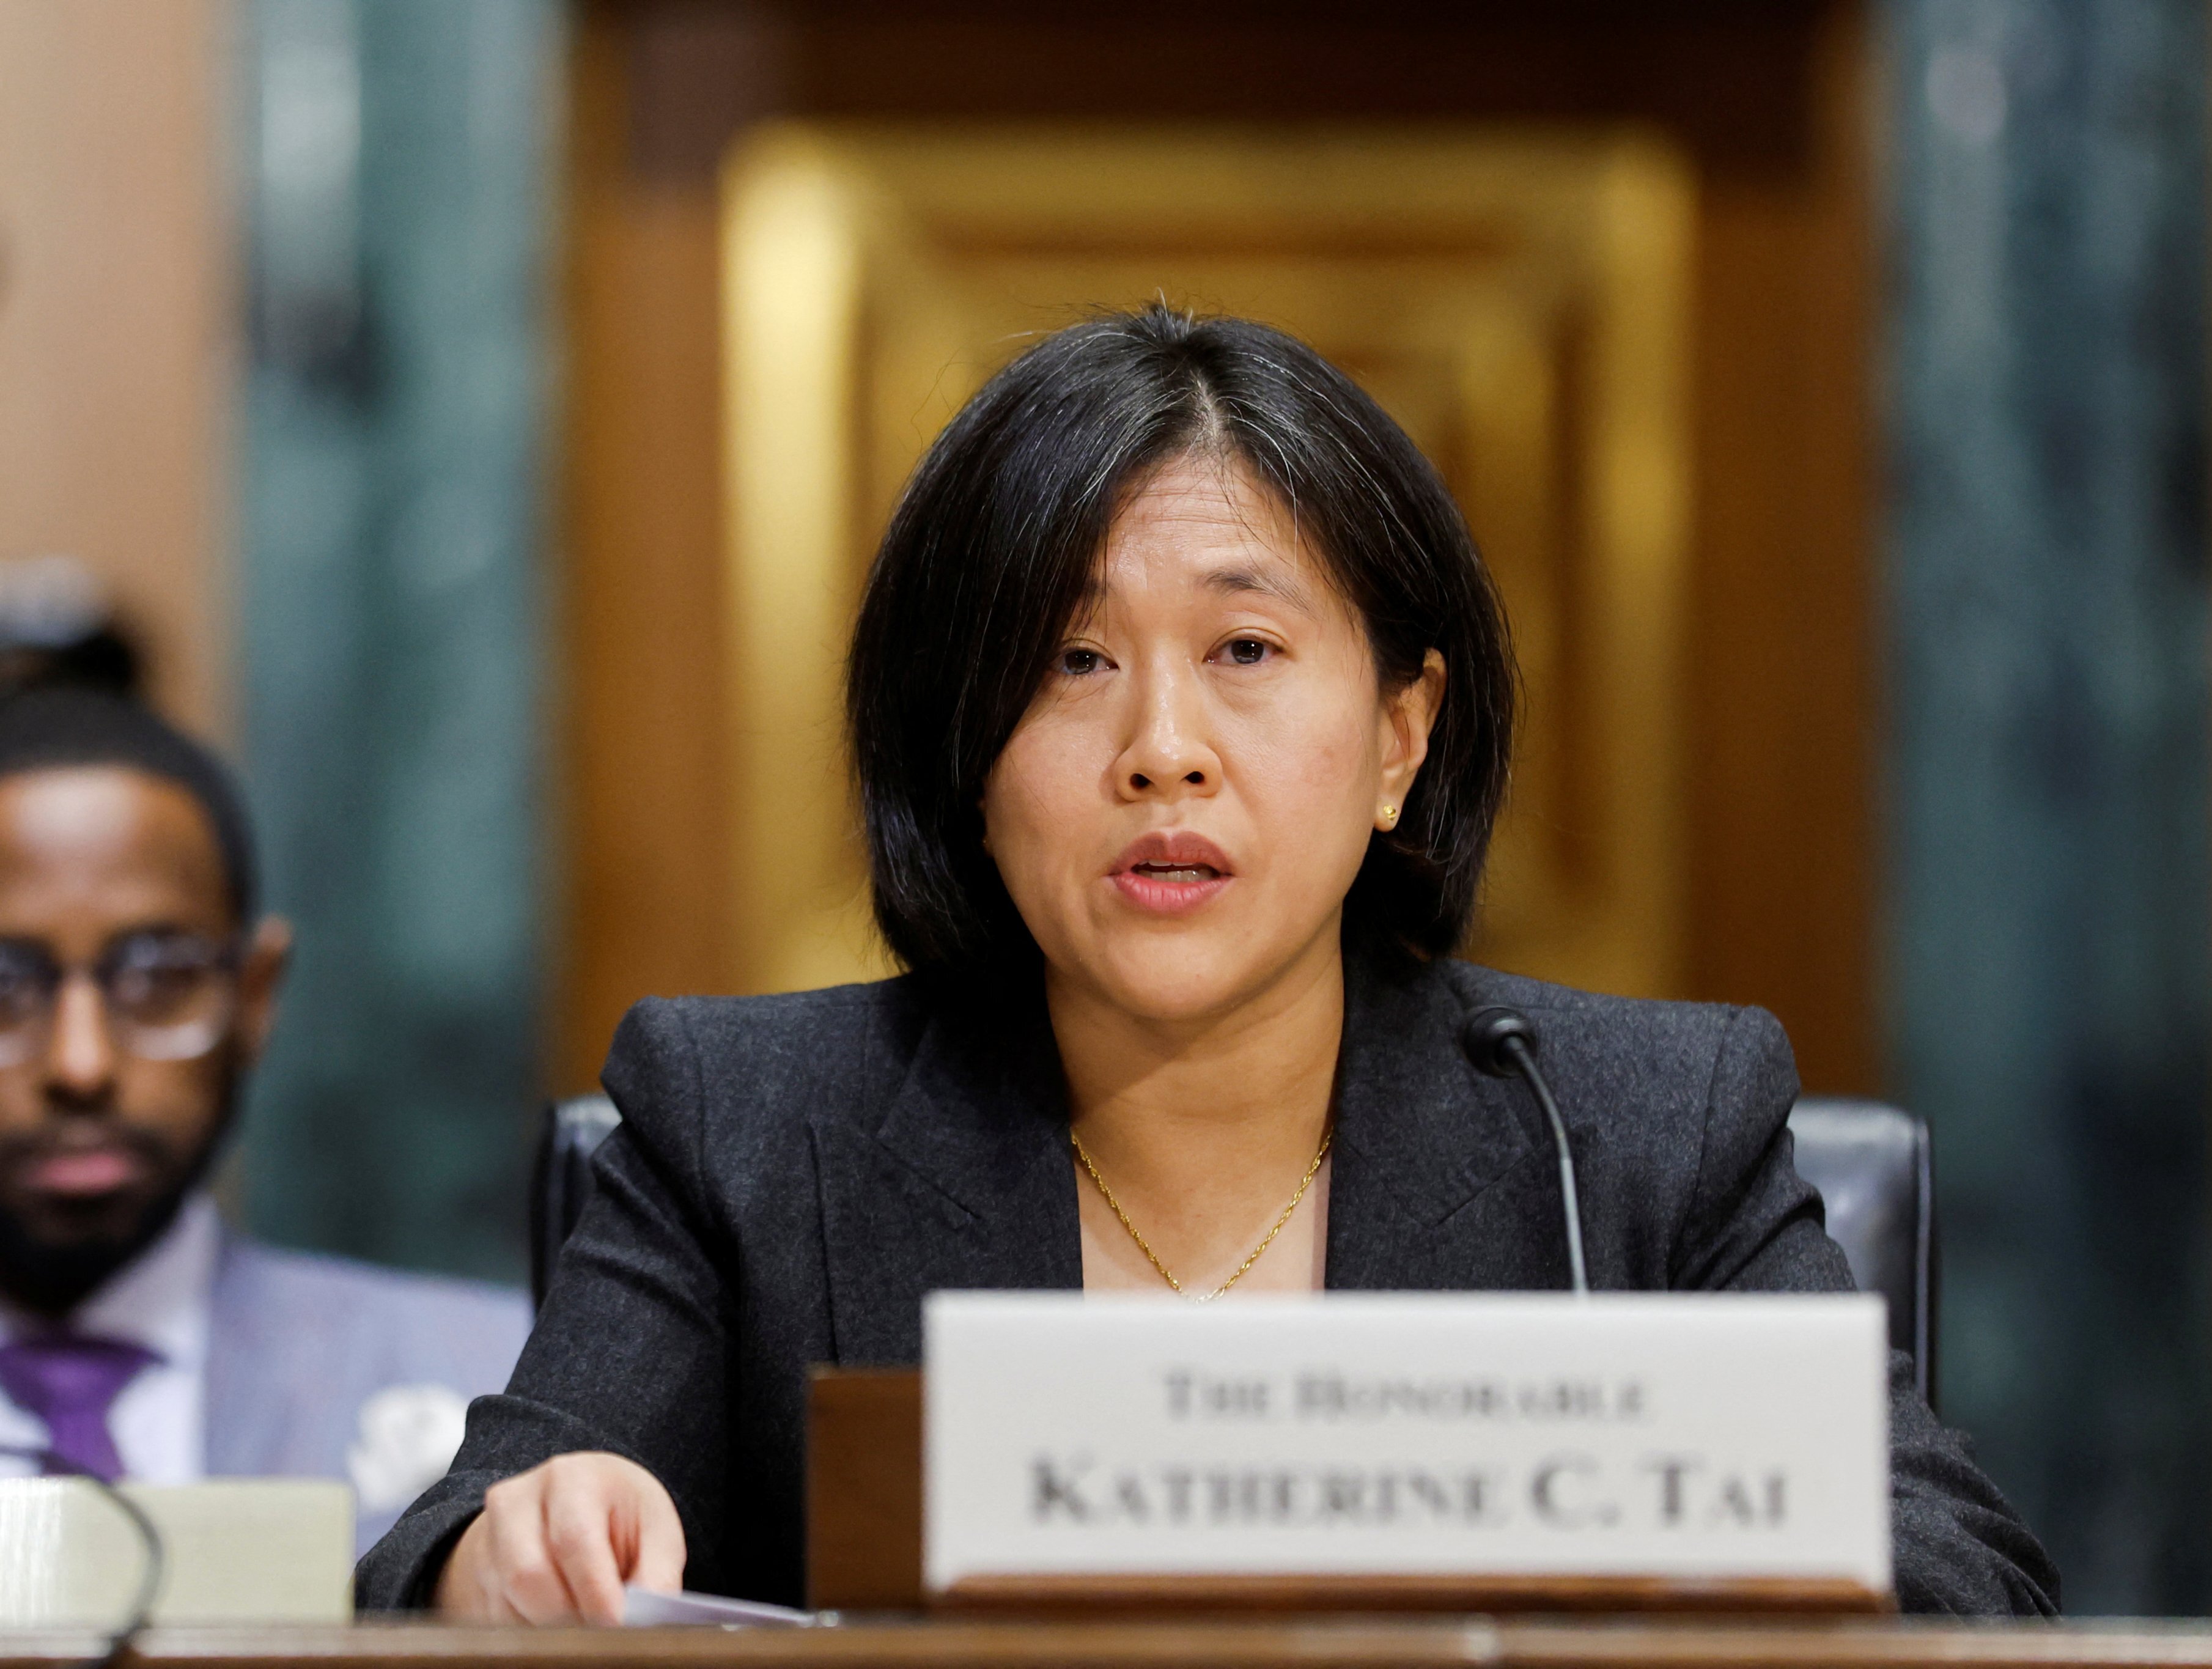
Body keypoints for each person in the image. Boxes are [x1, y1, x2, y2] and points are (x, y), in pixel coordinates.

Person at [360, 304, 2060, 1619]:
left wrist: (1702, 1556)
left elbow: (1957, 1567)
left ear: (1402, 735)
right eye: (1072, 661)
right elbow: (446, 1544)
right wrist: (516, 1553)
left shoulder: (1637, 1133)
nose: (1163, 749)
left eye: (1246, 648)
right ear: (964, 750)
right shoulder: (743, 1124)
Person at [0, 687, 530, 1552]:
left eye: (158, 974)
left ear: (254, 996)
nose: (80, 1064)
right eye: (4, 985)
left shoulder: (500, 1382)